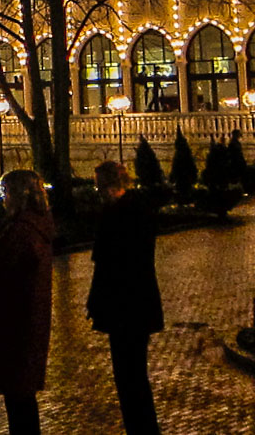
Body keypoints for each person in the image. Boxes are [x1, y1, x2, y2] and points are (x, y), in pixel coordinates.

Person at [0, 169, 54, 434]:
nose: (3, 198)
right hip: (24, 320)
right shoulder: (37, 225)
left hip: (13, 325)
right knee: (21, 398)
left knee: (19, 400)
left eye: (6, 192)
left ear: (17, 195)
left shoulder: (20, 231)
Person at [88, 160, 163, 434]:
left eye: (98, 185)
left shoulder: (121, 214)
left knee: (129, 375)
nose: (96, 190)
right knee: (132, 374)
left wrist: (98, 301)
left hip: (126, 305)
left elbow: (109, 263)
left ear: (107, 185)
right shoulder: (135, 209)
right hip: (135, 302)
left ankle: (141, 429)